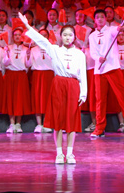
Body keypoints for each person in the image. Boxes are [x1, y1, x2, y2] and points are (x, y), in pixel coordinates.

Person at [17, 13, 87, 164]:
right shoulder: (55, 49)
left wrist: (83, 93)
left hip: (73, 85)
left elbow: (83, 74)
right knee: (58, 120)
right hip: (58, 84)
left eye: (70, 35)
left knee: (72, 120)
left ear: (74, 37)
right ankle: (59, 153)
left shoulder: (79, 54)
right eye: (65, 35)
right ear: (60, 37)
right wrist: (27, 26)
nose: (68, 37)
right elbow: (41, 40)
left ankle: (70, 153)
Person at [88, 9, 124, 138]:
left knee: (122, 97)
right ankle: (99, 127)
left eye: (102, 17)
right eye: (98, 17)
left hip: (113, 68)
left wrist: (120, 28)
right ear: (95, 20)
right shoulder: (92, 36)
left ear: (105, 19)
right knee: (100, 100)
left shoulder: (111, 30)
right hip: (99, 70)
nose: (100, 19)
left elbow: (117, 30)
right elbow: (93, 52)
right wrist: (98, 58)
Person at [3, 28, 32, 133]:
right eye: (15, 35)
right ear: (12, 36)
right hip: (11, 74)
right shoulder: (8, 47)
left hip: (21, 75)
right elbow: (5, 63)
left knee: (20, 99)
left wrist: (28, 56)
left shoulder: (26, 49)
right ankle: (12, 124)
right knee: (11, 99)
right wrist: (7, 54)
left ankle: (18, 123)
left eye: (19, 35)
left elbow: (28, 65)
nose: (17, 37)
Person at [28, 29, 55, 134]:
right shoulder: (33, 49)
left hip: (49, 75)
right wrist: (27, 55)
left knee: (48, 99)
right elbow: (29, 64)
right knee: (38, 98)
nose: (43, 37)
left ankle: (47, 123)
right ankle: (39, 124)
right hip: (38, 75)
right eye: (41, 35)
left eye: (45, 35)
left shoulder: (52, 48)